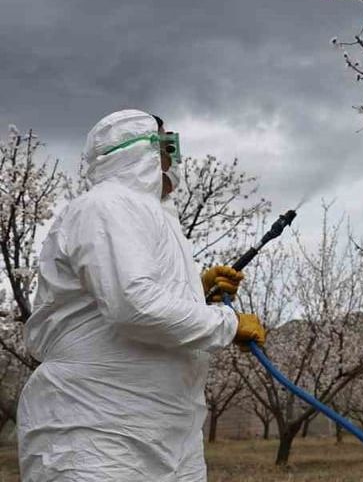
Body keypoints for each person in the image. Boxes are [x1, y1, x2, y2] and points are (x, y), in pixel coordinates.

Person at [16, 109, 267, 481]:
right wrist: (228, 323)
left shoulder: (153, 216)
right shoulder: (108, 205)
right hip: (98, 428)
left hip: (169, 432)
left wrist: (197, 288)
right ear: (141, 150)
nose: (175, 160)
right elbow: (134, 306)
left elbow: (115, 298)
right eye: (169, 146)